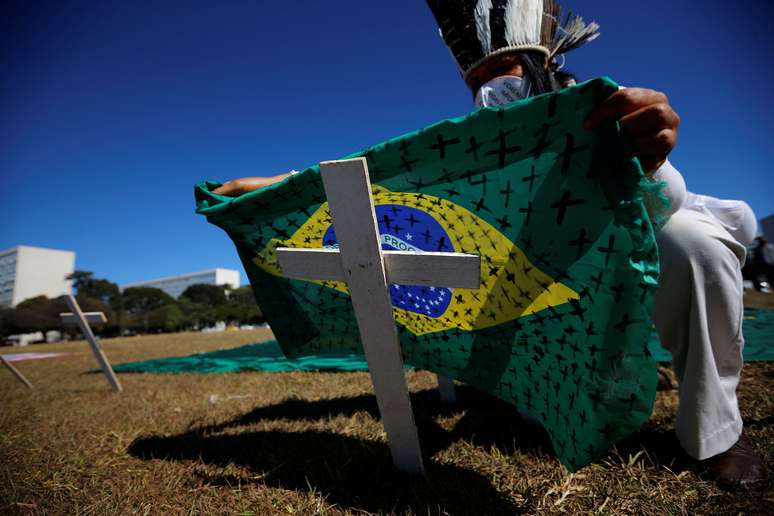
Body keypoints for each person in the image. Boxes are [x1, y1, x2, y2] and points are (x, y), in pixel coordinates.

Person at [214, 0, 766, 485]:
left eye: (508, 73)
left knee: (691, 242)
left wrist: (648, 154)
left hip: (621, 260)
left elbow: (663, 204)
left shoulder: (599, 110)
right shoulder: (476, 148)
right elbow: (385, 186)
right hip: (528, 289)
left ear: (544, 65)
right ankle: (574, 382)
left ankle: (714, 433)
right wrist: (275, 187)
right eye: (481, 80)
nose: (495, 90)